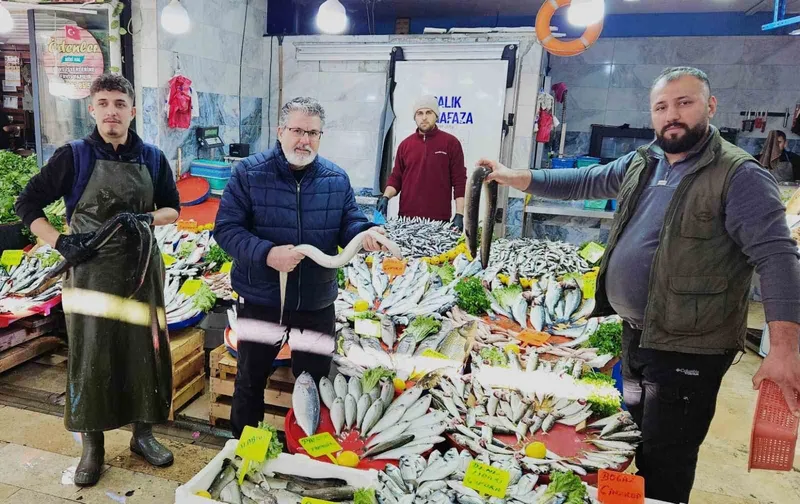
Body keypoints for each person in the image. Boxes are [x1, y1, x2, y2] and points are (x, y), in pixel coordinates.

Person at [478, 67, 800, 503]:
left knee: (666, 458)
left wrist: (784, 349)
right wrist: (515, 176)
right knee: (633, 438)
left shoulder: (738, 175)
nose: (672, 115)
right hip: (637, 334)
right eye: (661, 107)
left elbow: (777, 257)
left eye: (684, 103)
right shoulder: (644, 161)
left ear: (710, 106)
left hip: (689, 346)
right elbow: (584, 181)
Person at [15, 74, 180, 486]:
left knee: (145, 352)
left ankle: (143, 435)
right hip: (91, 275)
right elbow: (27, 203)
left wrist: (146, 218)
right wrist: (60, 242)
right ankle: (93, 446)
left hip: (142, 272)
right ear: (92, 109)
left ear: (132, 111)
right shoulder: (74, 156)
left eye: (120, 104)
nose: (112, 112)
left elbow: (173, 209)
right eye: (103, 103)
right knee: (92, 356)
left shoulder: (153, 158)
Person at [214, 97, 385, 438]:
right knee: (250, 379)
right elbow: (226, 229)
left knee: (315, 383)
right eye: (297, 131)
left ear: (321, 136)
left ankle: (305, 450)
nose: (304, 140)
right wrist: (267, 254)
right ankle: (244, 450)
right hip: (261, 299)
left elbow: (349, 223)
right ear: (280, 131)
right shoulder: (249, 173)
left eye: (312, 133)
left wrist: (364, 234)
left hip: (315, 303)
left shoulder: (336, 179)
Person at [376, 95, 467, 230]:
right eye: (420, 113)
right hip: (406, 219)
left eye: (428, 112)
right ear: (415, 117)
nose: (424, 117)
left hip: (439, 220)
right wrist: (385, 197)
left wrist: (460, 214)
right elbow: (396, 178)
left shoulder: (451, 143)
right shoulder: (405, 145)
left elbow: (459, 182)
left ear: (436, 116)